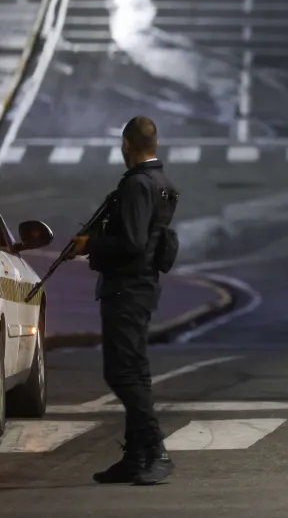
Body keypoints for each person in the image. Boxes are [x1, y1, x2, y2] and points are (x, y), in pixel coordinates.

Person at [69, 116, 180, 485]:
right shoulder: (160, 182)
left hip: (127, 289)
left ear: (127, 145)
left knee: (120, 372)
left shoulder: (136, 185)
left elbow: (132, 242)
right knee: (135, 371)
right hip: (142, 287)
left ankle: (157, 450)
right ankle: (135, 457)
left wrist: (91, 245)